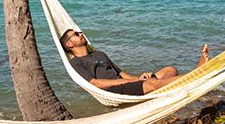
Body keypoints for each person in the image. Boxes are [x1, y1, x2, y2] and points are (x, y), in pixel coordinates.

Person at [60, 29, 210, 95]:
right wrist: (126, 83)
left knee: (169, 70)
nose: (81, 34)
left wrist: (138, 78)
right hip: (112, 91)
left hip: (128, 85)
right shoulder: (76, 63)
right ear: (69, 44)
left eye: (79, 32)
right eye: (75, 34)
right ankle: (196, 74)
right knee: (152, 84)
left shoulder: (99, 53)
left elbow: (120, 73)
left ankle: (156, 88)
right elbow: (94, 83)